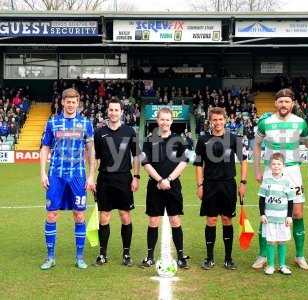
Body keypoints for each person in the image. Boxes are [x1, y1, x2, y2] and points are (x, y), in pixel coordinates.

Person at [253, 88, 308, 270]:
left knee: (298, 214)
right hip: (271, 171)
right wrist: (257, 170)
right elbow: (256, 145)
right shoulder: (265, 122)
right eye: (280, 101)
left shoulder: (301, 123)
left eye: (287, 101)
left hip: (293, 172)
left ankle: (299, 256)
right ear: (275, 103)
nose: (283, 105)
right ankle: (262, 256)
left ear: (292, 103)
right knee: (267, 214)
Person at [39, 88, 95, 270]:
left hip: (78, 176)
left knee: (79, 215)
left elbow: (90, 151)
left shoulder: (86, 123)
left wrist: (92, 175)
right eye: (68, 101)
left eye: (74, 101)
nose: (71, 104)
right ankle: (50, 257)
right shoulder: (53, 122)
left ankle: (79, 257)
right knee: (51, 214)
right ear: (62, 102)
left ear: (78, 103)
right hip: (56, 175)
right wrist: (42, 172)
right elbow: (45, 148)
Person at [194, 107, 247, 270]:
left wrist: (243, 182)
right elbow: (198, 164)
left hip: (228, 184)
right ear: (210, 121)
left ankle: (228, 258)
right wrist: (200, 185)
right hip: (209, 184)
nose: (217, 122)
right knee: (211, 220)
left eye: (220, 119)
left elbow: (244, 160)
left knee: (226, 219)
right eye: (214, 120)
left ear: (226, 120)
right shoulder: (203, 140)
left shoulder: (234, 139)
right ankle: (209, 258)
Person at [93, 99, 141, 267]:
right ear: (108, 111)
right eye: (111, 109)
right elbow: (96, 158)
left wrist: (136, 177)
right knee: (104, 216)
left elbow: (136, 156)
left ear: (122, 112)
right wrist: (92, 179)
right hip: (105, 179)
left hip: (123, 179)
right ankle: (102, 253)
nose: (113, 112)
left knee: (125, 215)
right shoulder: (99, 133)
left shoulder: (129, 132)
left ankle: (126, 253)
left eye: (116, 110)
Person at [141, 107, 190, 269]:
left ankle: (181, 256)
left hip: (173, 185)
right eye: (162, 119)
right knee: (153, 220)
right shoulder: (149, 140)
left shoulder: (179, 140)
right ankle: (149, 257)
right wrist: (160, 180)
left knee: (175, 220)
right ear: (157, 121)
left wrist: (168, 179)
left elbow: (184, 162)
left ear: (171, 121)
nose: (164, 122)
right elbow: (145, 163)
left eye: (167, 119)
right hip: (154, 185)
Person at [259, 153, 295, 275]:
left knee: (282, 241)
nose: (276, 166)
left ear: (283, 165)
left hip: (282, 218)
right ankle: (270, 266)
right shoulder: (266, 180)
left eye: (279, 164)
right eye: (274, 164)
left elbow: (290, 200)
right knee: (270, 241)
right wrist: (262, 214)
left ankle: (282, 265)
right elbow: (262, 199)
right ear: (270, 166)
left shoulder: (287, 182)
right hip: (269, 218)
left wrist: (289, 216)